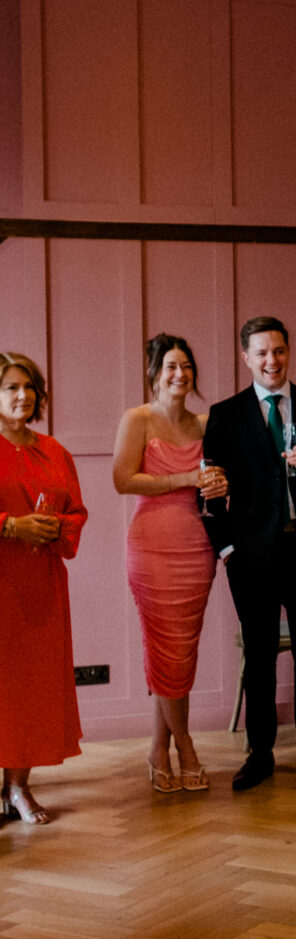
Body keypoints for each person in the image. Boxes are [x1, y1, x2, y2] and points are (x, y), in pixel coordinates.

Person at [201, 316, 296, 791]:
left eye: (279, 351)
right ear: (246, 357)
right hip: (251, 559)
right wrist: (226, 550)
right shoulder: (225, 415)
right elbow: (208, 492)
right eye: (261, 352)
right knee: (260, 657)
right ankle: (260, 753)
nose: (272, 360)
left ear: (289, 351)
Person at [113, 335, 228, 793]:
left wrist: (219, 483)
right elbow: (123, 479)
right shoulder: (138, 419)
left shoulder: (206, 423)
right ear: (154, 373)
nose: (179, 374)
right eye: (170, 367)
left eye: (186, 366)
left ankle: (157, 749)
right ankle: (185, 745)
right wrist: (184, 477)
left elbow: (219, 480)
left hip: (198, 545)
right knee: (165, 647)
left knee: (182, 651)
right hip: (152, 546)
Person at [0, 352, 87, 824]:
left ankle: (17, 788)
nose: (22, 396)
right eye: (11, 387)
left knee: (31, 689)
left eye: (29, 387)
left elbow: (75, 511)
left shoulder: (55, 451)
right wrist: (11, 525)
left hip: (41, 588)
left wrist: (55, 527)